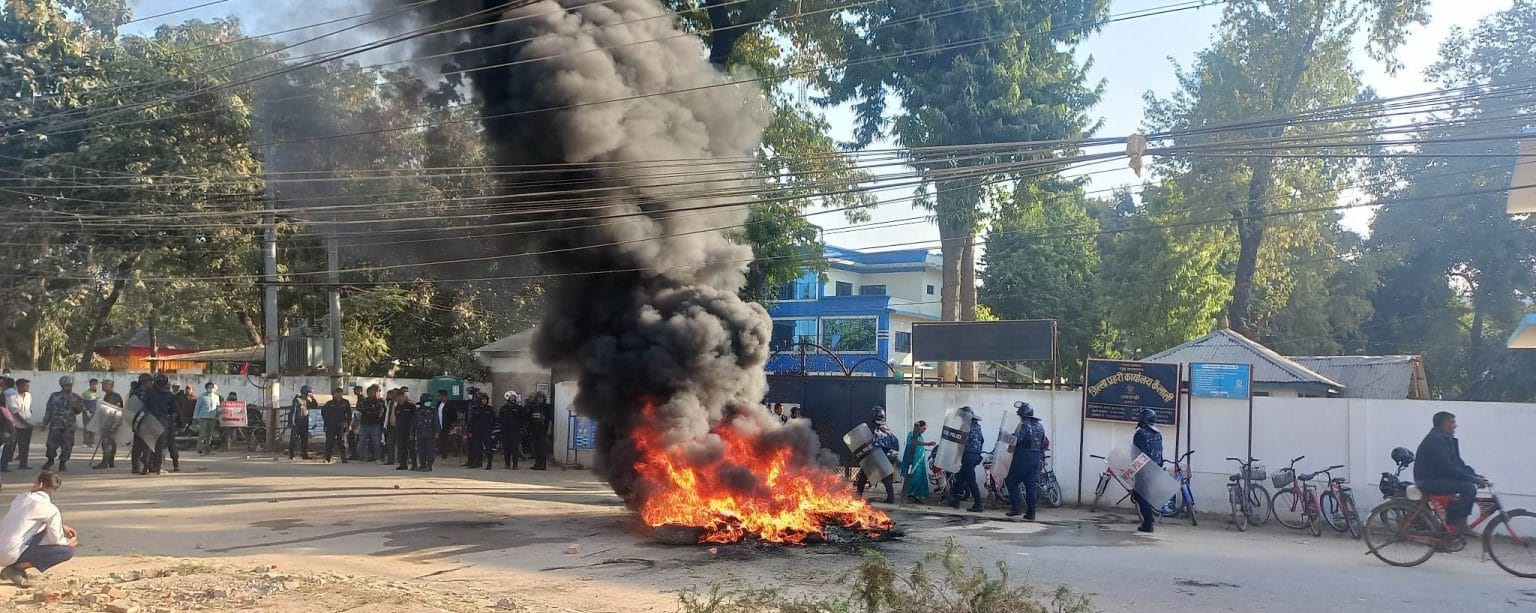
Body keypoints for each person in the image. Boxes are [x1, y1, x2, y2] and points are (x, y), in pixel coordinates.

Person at [0, 471, 76, 587]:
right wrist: (67, 543)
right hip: (9, 554)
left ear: (39, 484)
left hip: (5, 545)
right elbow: (56, 540)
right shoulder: (51, 510)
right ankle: (15, 568)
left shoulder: (21, 497)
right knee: (67, 551)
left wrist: (61, 526)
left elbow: (25, 517)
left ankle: (15, 568)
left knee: (41, 527)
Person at [1414, 411, 1486, 535]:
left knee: (1464, 488)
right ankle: (1459, 524)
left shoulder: (1447, 439)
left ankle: (1449, 526)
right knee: (1468, 488)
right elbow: (1448, 468)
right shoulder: (1435, 440)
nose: (1455, 425)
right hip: (1428, 480)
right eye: (1452, 422)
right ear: (1443, 424)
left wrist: (1473, 475)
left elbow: (1458, 464)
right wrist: (1473, 480)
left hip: (1439, 478)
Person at [1005, 402, 1049, 520]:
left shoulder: (1024, 425)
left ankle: (1016, 507)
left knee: (1010, 481)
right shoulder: (1040, 426)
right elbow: (1044, 443)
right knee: (1030, 486)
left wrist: (1006, 436)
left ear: (1022, 415)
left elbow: (1016, 440)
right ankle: (1031, 513)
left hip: (1022, 458)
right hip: (1035, 458)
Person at [854, 407, 900, 504]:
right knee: (886, 477)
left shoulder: (873, 428)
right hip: (882, 455)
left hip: (872, 455)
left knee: (863, 476)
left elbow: (868, 441)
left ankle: (858, 496)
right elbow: (893, 443)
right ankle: (891, 497)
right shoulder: (886, 429)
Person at [40, 377, 84, 473]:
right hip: (56, 424)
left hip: (69, 426)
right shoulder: (54, 396)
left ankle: (63, 463)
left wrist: (76, 405)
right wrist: (45, 423)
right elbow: (49, 410)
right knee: (51, 445)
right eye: (67, 385)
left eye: (70, 385)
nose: (69, 387)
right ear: (62, 386)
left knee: (67, 446)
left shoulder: (76, 397)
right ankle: (50, 460)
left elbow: (79, 410)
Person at [1131, 408, 1164, 533]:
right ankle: (1149, 519)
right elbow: (1160, 453)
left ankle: (1148, 523)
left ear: (1143, 420)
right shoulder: (1158, 434)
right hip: (1155, 469)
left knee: (1140, 495)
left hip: (1144, 470)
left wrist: (1134, 470)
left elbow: (1138, 454)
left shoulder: (1140, 434)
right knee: (1146, 495)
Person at [946, 410, 985, 513]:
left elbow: (960, 443)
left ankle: (978, 503)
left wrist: (958, 457)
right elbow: (981, 441)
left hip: (967, 455)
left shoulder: (965, 426)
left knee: (971, 480)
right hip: (975, 456)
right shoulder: (977, 428)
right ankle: (956, 501)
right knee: (960, 478)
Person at [142, 374, 178, 474]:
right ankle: (158, 468)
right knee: (159, 446)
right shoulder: (170, 395)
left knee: (148, 444)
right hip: (163, 421)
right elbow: (174, 410)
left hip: (150, 420)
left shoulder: (149, 393)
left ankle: (145, 468)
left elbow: (144, 406)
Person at [901, 421, 936, 502]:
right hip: (912, 461)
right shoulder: (911, 434)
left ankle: (917, 495)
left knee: (920, 477)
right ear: (918, 427)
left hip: (920, 462)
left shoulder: (921, 437)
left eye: (925, 429)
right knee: (913, 477)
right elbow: (913, 442)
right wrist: (927, 444)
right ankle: (910, 494)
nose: (924, 431)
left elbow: (920, 446)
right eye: (923, 428)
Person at [4, 379, 35, 472]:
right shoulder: (12, 397)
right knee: (12, 444)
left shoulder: (29, 395)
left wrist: (30, 421)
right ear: (19, 386)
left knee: (25, 445)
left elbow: (29, 408)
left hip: (28, 423)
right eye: (26, 385)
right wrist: (24, 423)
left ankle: (23, 463)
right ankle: (5, 463)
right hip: (16, 424)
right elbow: (15, 413)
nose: (28, 387)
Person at [92, 380, 123, 470]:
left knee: (107, 442)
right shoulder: (108, 396)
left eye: (105, 385)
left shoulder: (114, 396)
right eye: (103, 385)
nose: (103, 386)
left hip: (111, 422)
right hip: (110, 422)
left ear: (110, 386)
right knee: (111, 442)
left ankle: (105, 462)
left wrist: (110, 423)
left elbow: (114, 410)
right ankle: (110, 462)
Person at [465, 393, 497, 470]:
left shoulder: (489, 409)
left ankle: (489, 463)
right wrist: (470, 430)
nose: (484, 401)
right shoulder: (476, 409)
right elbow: (471, 421)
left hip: (486, 431)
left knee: (488, 447)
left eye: (485, 399)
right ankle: (477, 462)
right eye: (482, 399)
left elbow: (494, 419)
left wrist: (491, 428)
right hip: (476, 431)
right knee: (477, 448)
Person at [321, 388, 351, 464]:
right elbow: (324, 413)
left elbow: (349, 414)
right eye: (336, 393)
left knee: (342, 442)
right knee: (329, 442)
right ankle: (327, 458)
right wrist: (326, 424)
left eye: (340, 393)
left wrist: (349, 424)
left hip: (341, 425)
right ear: (333, 394)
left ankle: (344, 458)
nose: (338, 395)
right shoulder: (329, 403)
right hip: (331, 425)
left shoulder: (345, 402)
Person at [357, 385, 385, 463]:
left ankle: (378, 457)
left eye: (378, 391)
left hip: (375, 424)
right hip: (364, 424)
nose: (377, 393)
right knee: (362, 441)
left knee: (377, 442)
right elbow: (360, 409)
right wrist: (370, 410)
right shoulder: (364, 401)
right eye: (375, 391)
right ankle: (364, 457)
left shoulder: (381, 401)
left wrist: (370, 410)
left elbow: (378, 411)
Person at [524, 392, 551, 470]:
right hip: (534, 430)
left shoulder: (547, 407)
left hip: (543, 430)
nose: (539, 399)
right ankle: (537, 464)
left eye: (541, 398)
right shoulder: (533, 407)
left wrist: (549, 429)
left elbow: (550, 420)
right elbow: (529, 418)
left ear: (544, 399)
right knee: (536, 448)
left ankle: (543, 465)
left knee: (542, 448)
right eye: (538, 398)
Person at [288, 385, 316, 460]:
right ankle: (291, 454)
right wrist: (292, 421)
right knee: (294, 438)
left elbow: (315, 406)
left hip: (305, 421)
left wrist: (313, 398)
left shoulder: (308, 401)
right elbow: (293, 411)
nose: (309, 394)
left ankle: (304, 454)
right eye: (309, 393)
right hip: (297, 421)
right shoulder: (297, 400)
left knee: (304, 439)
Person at [413, 396, 440, 472]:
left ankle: (429, 465)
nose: (429, 403)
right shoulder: (418, 411)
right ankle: (422, 465)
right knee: (421, 450)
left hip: (430, 434)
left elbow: (436, 421)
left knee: (430, 450)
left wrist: (437, 432)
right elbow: (414, 423)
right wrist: (412, 433)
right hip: (420, 433)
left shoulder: (433, 410)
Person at [194, 382, 221, 455]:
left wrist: (218, 416)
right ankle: (200, 448)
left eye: (212, 387)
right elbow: (197, 408)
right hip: (203, 417)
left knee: (209, 434)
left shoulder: (216, 397)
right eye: (209, 387)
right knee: (202, 434)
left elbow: (218, 407)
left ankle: (207, 449)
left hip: (212, 418)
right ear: (206, 388)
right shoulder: (202, 396)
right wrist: (195, 417)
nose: (211, 389)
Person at [498, 391, 523, 469]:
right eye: (511, 398)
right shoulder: (503, 408)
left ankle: (515, 464)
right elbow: (500, 419)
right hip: (505, 431)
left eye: (514, 398)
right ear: (508, 398)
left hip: (515, 431)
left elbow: (522, 418)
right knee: (506, 448)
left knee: (515, 448)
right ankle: (507, 463)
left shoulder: (518, 408)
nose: (513, 399)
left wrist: (521, 428)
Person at [394, 393, 418, 471]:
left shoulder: (411, 406)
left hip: (409, 431)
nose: (401, 399)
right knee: (402, 449)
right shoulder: (397, 407)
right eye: (399, 397)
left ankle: (414, 464)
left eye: (402, 397)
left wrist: (413, 431)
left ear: (405, 398)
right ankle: (403, 464)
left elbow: (414, 419)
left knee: (411, 448)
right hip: (400, 431)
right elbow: (397, 419)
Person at [80, 379, 100, 448]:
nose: (94, 385)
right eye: (93, 384)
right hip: (86, 412)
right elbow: (82, 403)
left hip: (94, 412)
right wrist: (86, 411)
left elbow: (98, 404)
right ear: (90, 385)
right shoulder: (85, 393)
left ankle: (91, 442)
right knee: (86, 427)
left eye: (95, 384)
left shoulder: (98, 393)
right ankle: (85, 442)